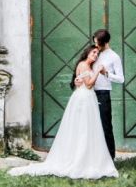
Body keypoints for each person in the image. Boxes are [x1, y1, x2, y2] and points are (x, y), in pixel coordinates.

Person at [8, 44, 118, 179]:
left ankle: (89, 158)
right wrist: (97, 73)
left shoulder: (88, 67)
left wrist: (92, 74)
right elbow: (89, 85)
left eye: (97, 53)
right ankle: (79, 159)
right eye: (93, 52)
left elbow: (82, 82)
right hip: (83, 99)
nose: (95, 55)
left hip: (88, 99)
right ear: (88, 53)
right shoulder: (83, 65)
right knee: (82, 128)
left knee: (89, 128)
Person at [90, 29, 124, 160]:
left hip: (103, 93)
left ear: (106, 42)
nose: (96, 46)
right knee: (91, 125)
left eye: (99, 44)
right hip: (89, 92)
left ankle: (110, 157)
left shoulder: (114, 57)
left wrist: (106, 73)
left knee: (105, 126)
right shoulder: (94, 53)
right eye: (95, 43)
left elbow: (121, 79)